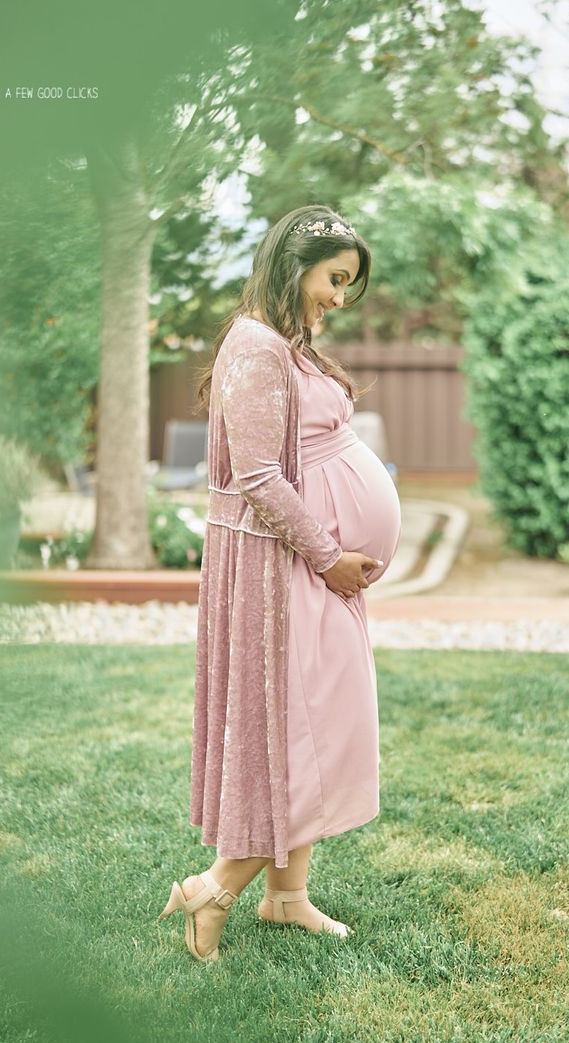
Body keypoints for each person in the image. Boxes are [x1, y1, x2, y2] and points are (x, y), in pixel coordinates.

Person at [158, 204, 402, 962]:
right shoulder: (256, 346)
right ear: (295, 267)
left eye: (348, 286)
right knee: (302, 731)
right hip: (283, 565)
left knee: (321, 724)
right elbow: (258, 474)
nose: (338, 297)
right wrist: (329, 555)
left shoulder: (286, 344)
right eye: (334, 280)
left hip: (307, 564)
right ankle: (215, 890)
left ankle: (286, 897)